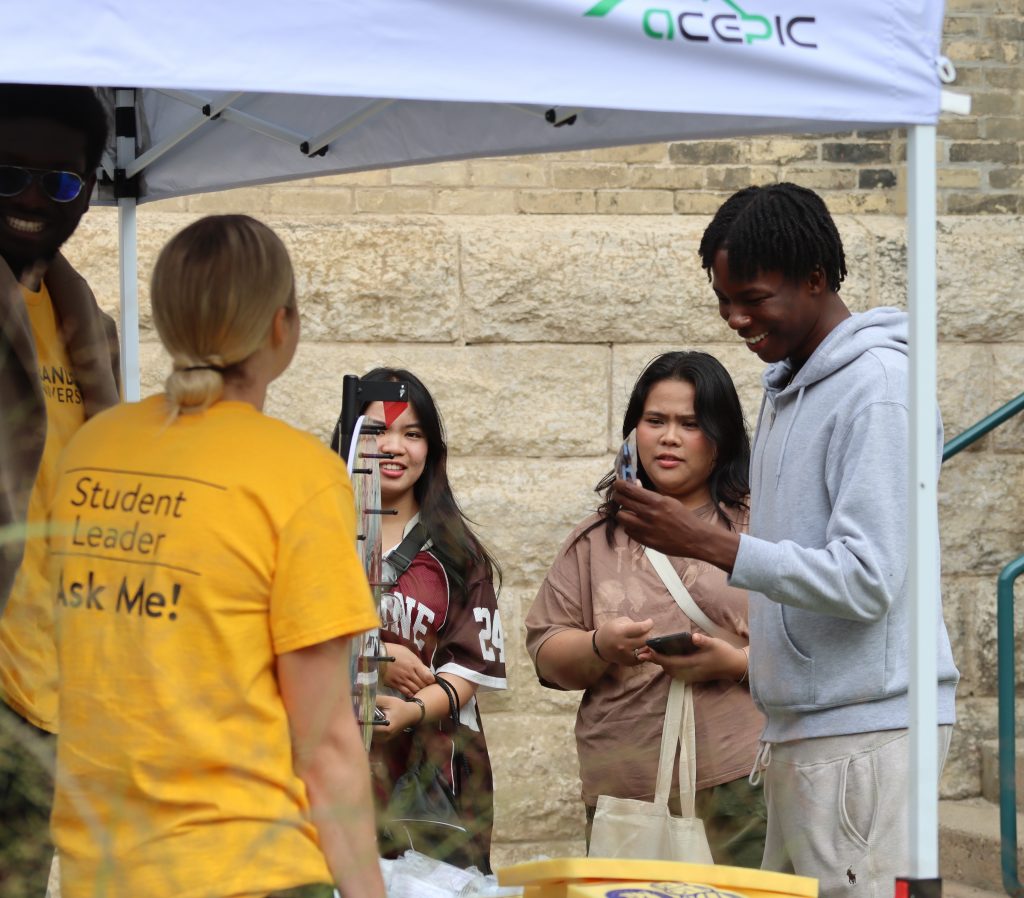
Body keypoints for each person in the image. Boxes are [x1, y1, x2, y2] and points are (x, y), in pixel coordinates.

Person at [613, 184, 960, 898]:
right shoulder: (789, 386)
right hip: (808, 728)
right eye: (723, 299)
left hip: (868, 728)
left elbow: (870, 578)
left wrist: (715, 546)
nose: (737, 317)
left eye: (755, 297)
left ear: (816, 278)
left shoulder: (880, 387)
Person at [46, 215, 386, 898]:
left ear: (169, 322)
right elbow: (324, 743)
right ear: (281, 325)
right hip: (249, 869)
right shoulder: (299, 476)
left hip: (101, 871)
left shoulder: (91, 449)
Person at [525, 350, 766, 868]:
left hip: (741, 783)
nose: (670, 437)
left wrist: (736, 663)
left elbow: (813, 644)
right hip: (624, 790)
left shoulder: (760, 528)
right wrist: (600, 646)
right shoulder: (596, 540)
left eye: (691, 424)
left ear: (720, 436)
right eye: (655, 421)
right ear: (634, 432)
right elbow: (546, 654)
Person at [0, 83, 120, 897]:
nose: (38, 197)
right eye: (9, 175)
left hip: (54, 698)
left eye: (64, 180)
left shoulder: (90, 330)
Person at [359, 367, 506, 872]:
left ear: (431, 448)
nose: (394, 446)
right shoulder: (316, 539)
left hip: (438, 774)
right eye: (377, 430)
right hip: (338, 762)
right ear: (352, 438)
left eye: (412, 433)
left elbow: (472, 667)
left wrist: (410, 711)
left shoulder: (459, 556)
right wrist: (373, 656)